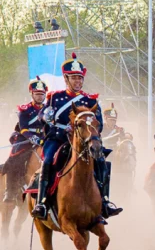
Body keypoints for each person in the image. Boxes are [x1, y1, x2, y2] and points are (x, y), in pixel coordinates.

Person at [32, 53, 122, 220]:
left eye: (80, 78)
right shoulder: (54, 98)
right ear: (66, 79)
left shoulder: (89, 100)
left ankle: (105, 201)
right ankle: (42, 202)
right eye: (74, 78)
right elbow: (41, 117)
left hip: (83, 141)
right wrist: (46, 116)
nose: (78, 82)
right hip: (58, 139)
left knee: (101, 160)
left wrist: (88, 131)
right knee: (48, 160)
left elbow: (99, 123)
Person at [3, 77, 47, 203]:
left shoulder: (48, 110)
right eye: (37, 94)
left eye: (42, 94)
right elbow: (23, 128)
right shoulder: (25, 109)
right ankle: (10, 191)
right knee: (14, 160)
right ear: (32, 94)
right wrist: (35, 139)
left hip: (44, 138)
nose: (40, 96)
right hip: (26, 139)